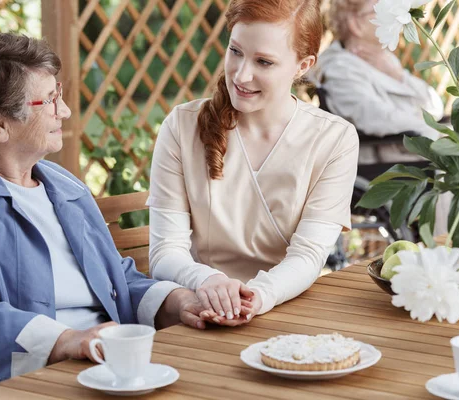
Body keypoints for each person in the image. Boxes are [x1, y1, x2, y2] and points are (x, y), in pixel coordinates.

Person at [0, 32, 206, 400]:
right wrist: (67, 342)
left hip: (103, 367)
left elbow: (114, 280)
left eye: (58, 94)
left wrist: (179, 301)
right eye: (48, 100)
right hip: (3, 385)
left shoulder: (62, 184)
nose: (63, 111)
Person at [147, 0, 359, 326]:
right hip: (198, 308)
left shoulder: (334, 140)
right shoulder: (182, 126)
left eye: (264, 61)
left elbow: (308, 256)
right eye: (235, 51)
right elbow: (165, 251)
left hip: (285, 310)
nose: (242, 75)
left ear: (303, 65)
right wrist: (207, 282)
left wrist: (256, 297)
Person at [311, 0, 444, 164]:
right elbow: (374, 117)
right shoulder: (340, 69)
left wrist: (397, 75)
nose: (393, 16)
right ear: (355, 24)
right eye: (380, 11)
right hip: (384, 161)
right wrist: (431, 130)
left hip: (413, 149)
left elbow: (435, 107)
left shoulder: (386, 61)